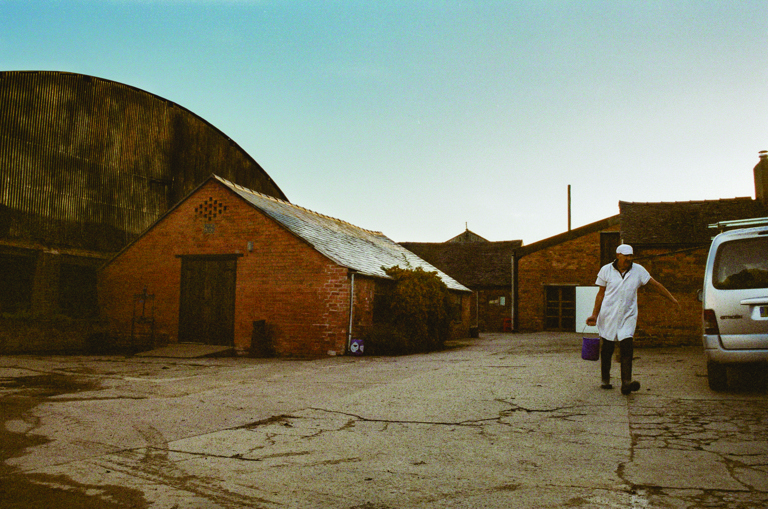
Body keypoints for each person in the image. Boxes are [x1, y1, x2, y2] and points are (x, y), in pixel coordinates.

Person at [586, 244, 679, 395]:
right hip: (608, 314)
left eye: (631, 256)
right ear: (618, 255)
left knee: (627, 346)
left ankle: (626, 383)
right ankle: (605, 380)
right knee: (607, 348)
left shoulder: (639, 270)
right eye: (626, 256)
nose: (629, 259)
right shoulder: (606, 270)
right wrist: (594, 315)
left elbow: (655, 285)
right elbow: (600, 294)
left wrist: (672, 298)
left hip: (627, 315)